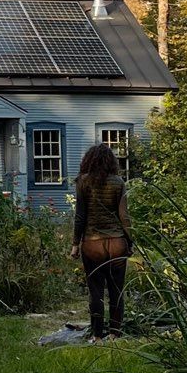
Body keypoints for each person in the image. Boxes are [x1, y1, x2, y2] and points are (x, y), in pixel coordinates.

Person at [71, 142, 132, 340]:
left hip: (92, 243)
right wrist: (130, 241)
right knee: (116, 291)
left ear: (88, 160)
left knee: (95, 291)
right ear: (110, 162)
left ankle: (97, 336)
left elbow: (80, 216)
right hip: (116, 242)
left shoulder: (83, 182)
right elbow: (124, 216)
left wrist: (75, 244)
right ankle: (115, 334)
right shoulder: (118, 182)